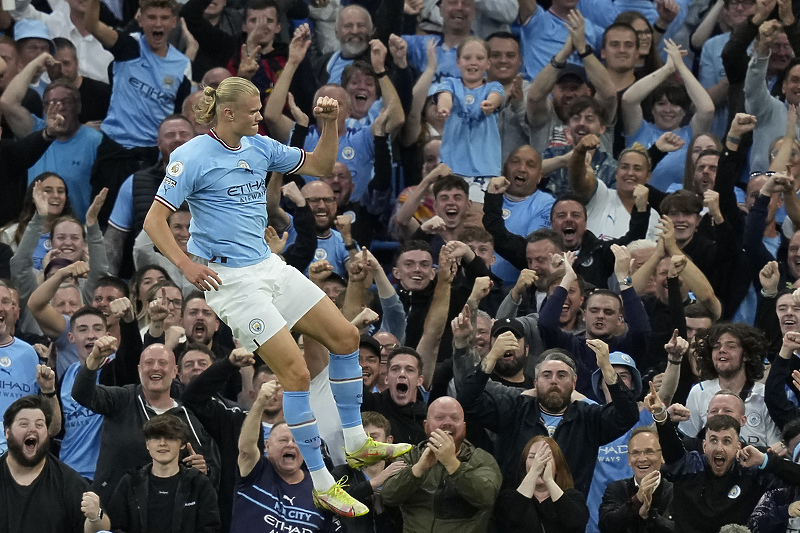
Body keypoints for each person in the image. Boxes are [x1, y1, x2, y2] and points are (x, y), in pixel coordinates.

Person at [143, 75, 410, 516]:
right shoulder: (189, 157)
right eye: (252, 110)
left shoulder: (260, 145)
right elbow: (155, 221)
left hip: (269, 266)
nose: (259, 116)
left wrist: (330, 124)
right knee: (297, 375)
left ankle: (358, 442)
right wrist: (186, 265)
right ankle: (323, 483)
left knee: (345, 339)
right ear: (228, 114)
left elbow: (321, 166)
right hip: (232, 282)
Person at [458, 339, 639, 492]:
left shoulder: (588, 418)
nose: (554, 380)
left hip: (567, 518)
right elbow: (467, 402)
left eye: (562, 375)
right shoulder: (514, 410)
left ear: (574, 383)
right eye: (547, 375)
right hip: (514, 518)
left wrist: (607, 369)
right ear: (535, 383)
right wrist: (491, 357)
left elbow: (628, 415)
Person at [72, 339, 220, 505]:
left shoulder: (188, 417)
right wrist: (93, 360)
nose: (156, 367)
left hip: (163, 513)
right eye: (149, 362)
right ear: (139, 370)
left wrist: (205, 470)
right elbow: (81, 393)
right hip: (112, 508)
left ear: (174, 371)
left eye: (163, 363)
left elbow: (212, 469)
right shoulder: (122, 399)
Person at [382, 396, 502, 533]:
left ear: (464, 427)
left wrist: (452, 464)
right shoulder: (410, 456)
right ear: (426, 426)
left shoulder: (481, 459)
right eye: (439, 418)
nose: (447, 423)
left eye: (454, 418)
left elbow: (486, 497)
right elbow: (389, 496)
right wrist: (418, 469)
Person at [233, 383, 343, 530]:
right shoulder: (256, 472)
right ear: (267, 446)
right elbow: (246, 449)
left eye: (297, 441)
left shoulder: (320, 489)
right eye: (283, 440)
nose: (290, 445)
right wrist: (259, 404)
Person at [1, 395, 111, 533]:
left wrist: (96, 516)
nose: (32, 429)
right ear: (7, 432)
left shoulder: (68, 481)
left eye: (39, 424)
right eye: (24, 424)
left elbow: (103, 527)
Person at [107, 414, 220, 533]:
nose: (162, 443)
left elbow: (210, 528)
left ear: (182, 444)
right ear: (147, 444)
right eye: (156, 438)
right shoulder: (130, 482)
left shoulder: (199, 483)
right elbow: (115, 527)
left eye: (170, 437)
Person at [679, 323, 781, 449]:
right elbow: (689, 444)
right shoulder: (699, 392)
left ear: (747, 355)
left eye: (731, 346)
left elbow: (774, 449)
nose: (721, 350)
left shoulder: (765, 396)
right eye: (716, 347)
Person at [436, 37, 504, 199]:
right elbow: (445, 96)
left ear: (488, 64)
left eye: (479, 58)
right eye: (467, 58)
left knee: (479, 217)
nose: (473, 62)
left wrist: (490, 104)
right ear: (458, 62)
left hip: (486, 170)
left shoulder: (493, 87)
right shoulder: (450, 83)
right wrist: (443, 108)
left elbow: (497, 97)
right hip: (452, 169)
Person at [493, 436, 589, 533]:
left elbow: (576, 523)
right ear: (524, 464)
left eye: (546, 457)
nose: (539, 462)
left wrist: (549, 481)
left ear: (557, 464)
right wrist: (533, 472)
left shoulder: (574, 497)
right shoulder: (508, 497)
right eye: (532, 457)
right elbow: (510, 518)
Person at [599, 425, 675, 532]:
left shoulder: (677, 492)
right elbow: (607, 526)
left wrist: (650, 516)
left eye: (649, 451)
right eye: (635, 453)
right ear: (629, 459)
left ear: (662, 456)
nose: (642, 458)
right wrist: (636, 501)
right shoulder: (616, 489)